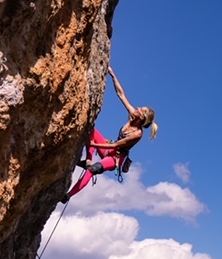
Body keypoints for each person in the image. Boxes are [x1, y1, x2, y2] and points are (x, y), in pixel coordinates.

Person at [63, 67, 157, 201]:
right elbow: (121, 94)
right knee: (91, 129)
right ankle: (88, 160)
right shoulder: (132, 115)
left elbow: (117, 145)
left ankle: (68, 195)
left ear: (143, 117)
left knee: (92, 170)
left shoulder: (137, 134)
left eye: (141, 109)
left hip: (114, 159)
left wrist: (93, 144)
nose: (138, 108)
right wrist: (113, 75)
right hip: (109, 149)